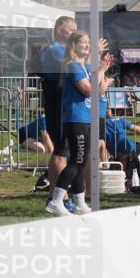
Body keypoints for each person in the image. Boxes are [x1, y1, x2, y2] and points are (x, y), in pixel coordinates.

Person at [46, 31, 114, 216]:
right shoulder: (73, 65)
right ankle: (56, 200)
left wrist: (102, 73)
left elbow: (98, 92)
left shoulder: (84, 66)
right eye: (83, 43)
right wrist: (100, 72)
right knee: (77, 160)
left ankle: (79, 202)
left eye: (88, 42)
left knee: (82, 161)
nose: (87, 45)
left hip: (85, 117)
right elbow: (87, 91)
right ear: (73, 46)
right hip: (75, 118)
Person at [38, 16, 77, 198]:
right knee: (61, 151)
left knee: (62, 151)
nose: (75, 34)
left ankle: (55, 196)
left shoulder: (61, 49)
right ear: (61, 30)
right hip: (58, 107)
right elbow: (75, 66)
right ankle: (61, 197)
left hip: (63, 106)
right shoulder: (55, 49)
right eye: (72, 30)